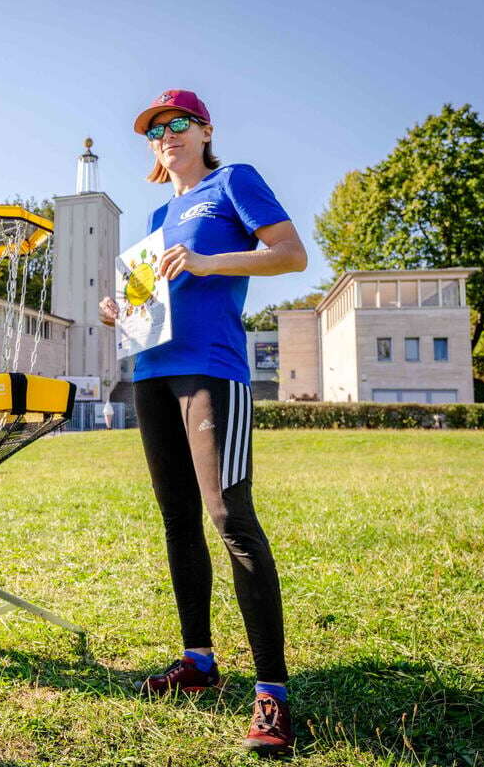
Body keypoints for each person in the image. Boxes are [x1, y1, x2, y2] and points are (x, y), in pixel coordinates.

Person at [99, 89, 307, 757]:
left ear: (204, 129)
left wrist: (211, 261)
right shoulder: (160, 215)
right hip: (152, 377)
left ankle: (271, 693)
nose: (167, 135)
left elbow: (290, 254)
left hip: (212, 372)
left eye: (178, 123)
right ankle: (199, 661)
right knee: (177, 519)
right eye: (156, 130)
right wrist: (121, 309)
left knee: (230, 519)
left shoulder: (232, 181)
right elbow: (153, 300)